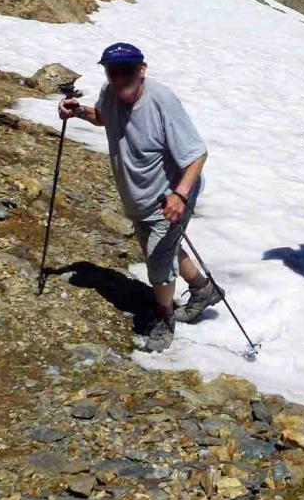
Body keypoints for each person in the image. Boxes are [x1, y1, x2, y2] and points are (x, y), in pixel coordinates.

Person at [59, 42, 219, 352]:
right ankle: (203, 289)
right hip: (138, 197)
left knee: (158, 263)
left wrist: (180, 196)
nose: (119, 78)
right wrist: (78, 111)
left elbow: (196, 154)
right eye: (112, 72)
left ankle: (164, 317)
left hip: (170, 196)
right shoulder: (110, 93)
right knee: (160, 250)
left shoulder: (161, 102)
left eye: (127, 71)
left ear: (141, 70)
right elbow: (103, 117)